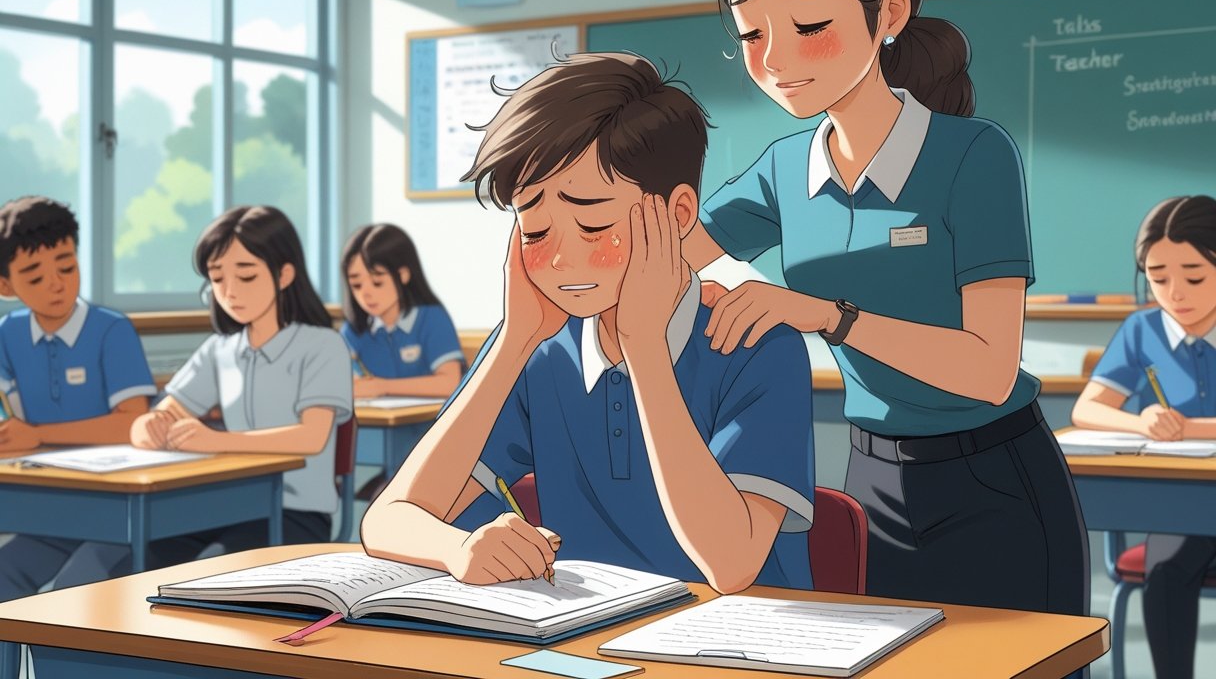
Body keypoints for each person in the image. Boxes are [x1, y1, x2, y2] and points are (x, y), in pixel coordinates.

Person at [680, 0, 1088, 614]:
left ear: (890, 11)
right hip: (870, 476)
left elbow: (989, 370)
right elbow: (670, 259)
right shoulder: (783, 170)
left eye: (808, 26)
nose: (775, 59)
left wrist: (825, 316)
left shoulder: (973, 155)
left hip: (993, 476)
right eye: (752, 35)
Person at [362, 51, 815, 593]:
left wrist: (643, 348)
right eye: (535, 232)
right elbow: (387, 519)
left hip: (736, 637)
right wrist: (456, 547)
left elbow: (731, 564)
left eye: (594, 226)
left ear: (677, 215)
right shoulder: (540, 348)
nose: (559, 260)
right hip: (587, 631)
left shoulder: (757, 347)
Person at [54, 205, 353, 586]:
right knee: (97, 564)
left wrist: (215, 440)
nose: (230, 291)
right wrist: (149, 425)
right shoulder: (221, 349)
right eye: (217, 278)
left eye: (246, 276)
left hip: (294, 513)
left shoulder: (322, 345)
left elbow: (311, 437)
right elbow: (166, 410)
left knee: (204, 577)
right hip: (221, 503)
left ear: (284, 274)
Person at [1072, 195, 1216, 679]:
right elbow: (1086, 409)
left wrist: (1190, 428)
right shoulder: (1143, 330)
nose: (1175, 293)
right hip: (1182, 504)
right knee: (1166, 572)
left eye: (1194, 277)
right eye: (1158, 277)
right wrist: (1143, 421)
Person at [0, 196, 155, 600]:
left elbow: (132, 423)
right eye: (35, 277)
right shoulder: (8, 333)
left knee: (75, 589)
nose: (56, 284)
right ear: (5, 286)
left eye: (66, 267)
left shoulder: (111, 330)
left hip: (118, 509)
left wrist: (37, 434)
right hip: (54, 507)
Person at [340, 223, 464, 401]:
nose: (365, 294)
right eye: (356, 285)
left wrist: (382, 387)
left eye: (377, 282)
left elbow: (450, 383)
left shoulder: (431, 318)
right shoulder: (353, 331)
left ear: (403, 275)